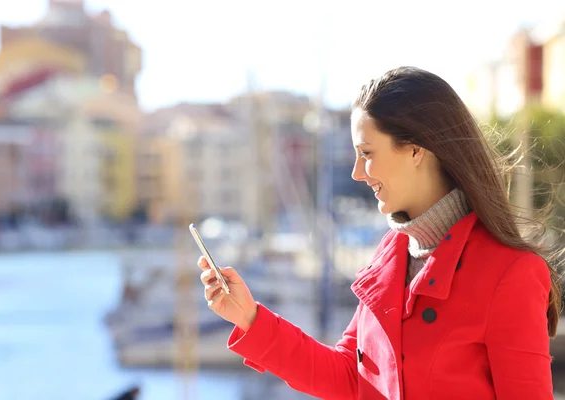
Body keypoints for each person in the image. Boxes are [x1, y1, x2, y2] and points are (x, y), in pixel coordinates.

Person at [197, 66, 562, 399]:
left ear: (416, 150)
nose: (358, 172)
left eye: (367, 152)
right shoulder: (392, 253)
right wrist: (249, 318)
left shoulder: (511, 271)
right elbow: (349, 377)